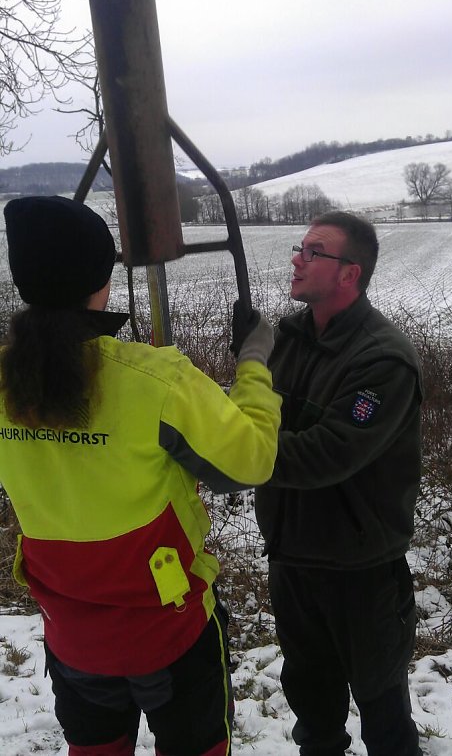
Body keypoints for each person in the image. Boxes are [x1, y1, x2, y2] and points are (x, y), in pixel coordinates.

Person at [0, 195, 281, 756]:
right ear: (99, 284)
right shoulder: (155, 380)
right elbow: (249, 462)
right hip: (169, 633)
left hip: (72, 634)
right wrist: (253, 363)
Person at [255, 211, 424, 756]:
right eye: (300, 247)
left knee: (383, 713)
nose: (297, 259)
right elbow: (254, 417)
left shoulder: (383, 359)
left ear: (349, 273)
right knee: (313, 709)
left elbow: (327, 454)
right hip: (294, 560)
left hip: (361, 571)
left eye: (313, 251)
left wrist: (236, 453)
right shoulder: (287, 339)